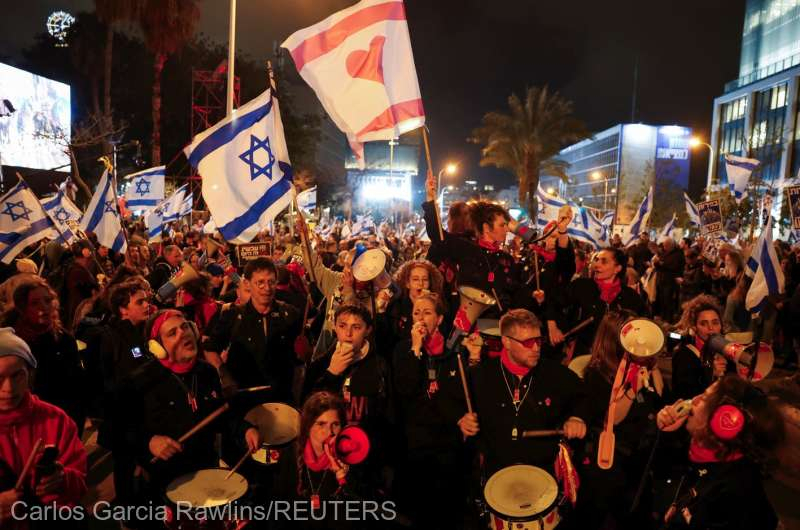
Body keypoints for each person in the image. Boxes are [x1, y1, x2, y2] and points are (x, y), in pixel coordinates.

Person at [124, 310, 261, 493]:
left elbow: (220, 416)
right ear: (158, 347)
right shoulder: (140, 381)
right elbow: (115, 432)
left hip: (206, 470)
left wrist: (244, 429)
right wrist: (149, 442)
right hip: (165, 481)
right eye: (172, 333)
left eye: (185, 326)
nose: (184, 333)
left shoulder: (207, 372)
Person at [458, 309, 587, 477]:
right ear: (506, 342)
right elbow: (452, 405)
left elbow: (585, 398)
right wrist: (462, 420)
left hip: (542, 472)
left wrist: (577, 418)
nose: (536, 348)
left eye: (539, 341)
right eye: (527, 343)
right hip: (495, 473)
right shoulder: (481, 375)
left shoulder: (556, 374)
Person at [574, 311, 665, 528]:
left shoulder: (641, 366)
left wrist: (652, 366)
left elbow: (659, 397)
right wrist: (632, 390)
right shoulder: (597, 373)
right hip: (612, 463)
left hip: (638, 459)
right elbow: (613, 419)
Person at [655, 376, 785, 529]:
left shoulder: (735, 493)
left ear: (725, 421)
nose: (694, 400)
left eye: (704, 398)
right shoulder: (698, 449)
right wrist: (666, 433)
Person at [392, 292, 468, 529]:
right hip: (415, 440)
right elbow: (405, 388)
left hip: (447, 441)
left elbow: (459, 395)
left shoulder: (454, 350)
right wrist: (416, 349)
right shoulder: (403, 349)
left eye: (427, 313)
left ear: (440, 318)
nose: (420, 318)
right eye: (416, 312)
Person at [0, 328, 87, 526]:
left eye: (17, 375)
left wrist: (63, 479)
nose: (8, 389)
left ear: (30, 374)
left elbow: (80, 485)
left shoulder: (56, 420)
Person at [203, 257, 301, 404]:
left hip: (281, 400)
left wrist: (304, 351)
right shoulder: (233, 316)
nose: (267, 288)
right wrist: (223, 373)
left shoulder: (290, 314)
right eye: (260, 282)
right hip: (244, 400)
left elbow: (301, 356)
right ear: (247, 284)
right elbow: (210, 349)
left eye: (271, 282)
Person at [274, 391, 374, 529]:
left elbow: (356, 516)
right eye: (321, 424)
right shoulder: (291, 454)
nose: (329, 432)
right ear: (308, 427)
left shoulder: (349, 460)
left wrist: (345, 478)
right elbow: (279, 506)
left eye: (335, 424)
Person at [2, 280, 87, 436]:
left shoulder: (63, 339)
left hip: (62, 421)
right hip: (24, 426)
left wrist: (74, 425)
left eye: (47, 300)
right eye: (35, 303)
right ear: (22, 308)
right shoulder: (12, 344)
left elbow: (77, 386)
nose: (44, 307)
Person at [546, 247, 646, 359]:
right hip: (582, 354)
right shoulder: (581, 286)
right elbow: (554, 303)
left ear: (617, 268)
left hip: (614, 357)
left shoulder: (630, 296)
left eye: (604, 261)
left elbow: (643, 325)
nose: (596, 265)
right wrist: (553, 327)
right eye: (597, 260)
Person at [671, 295, 729, 400]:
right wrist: (711, 374)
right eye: (703, 324)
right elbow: (685, 395)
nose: (711, 328)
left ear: (721, 325)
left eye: (715, 323)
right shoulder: (684, 354)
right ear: (694, 327)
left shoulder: (725, 350)